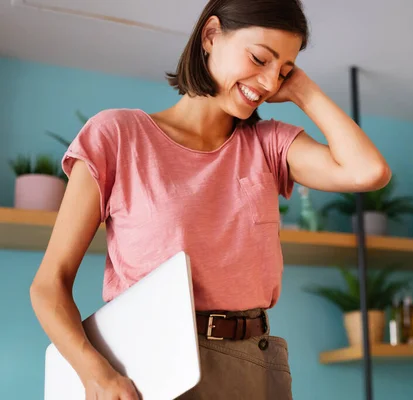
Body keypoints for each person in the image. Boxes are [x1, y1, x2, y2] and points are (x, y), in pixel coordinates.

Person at [29, 0, 391, 398]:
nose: (270, 83)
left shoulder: (268, 144)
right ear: (211, 35)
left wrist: (304, 90)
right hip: (152, 367)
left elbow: (368, 172)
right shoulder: (117, 136)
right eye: (259, 58)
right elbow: (49, 285)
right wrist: (95, 374)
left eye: (284, 71)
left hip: (254, 364)